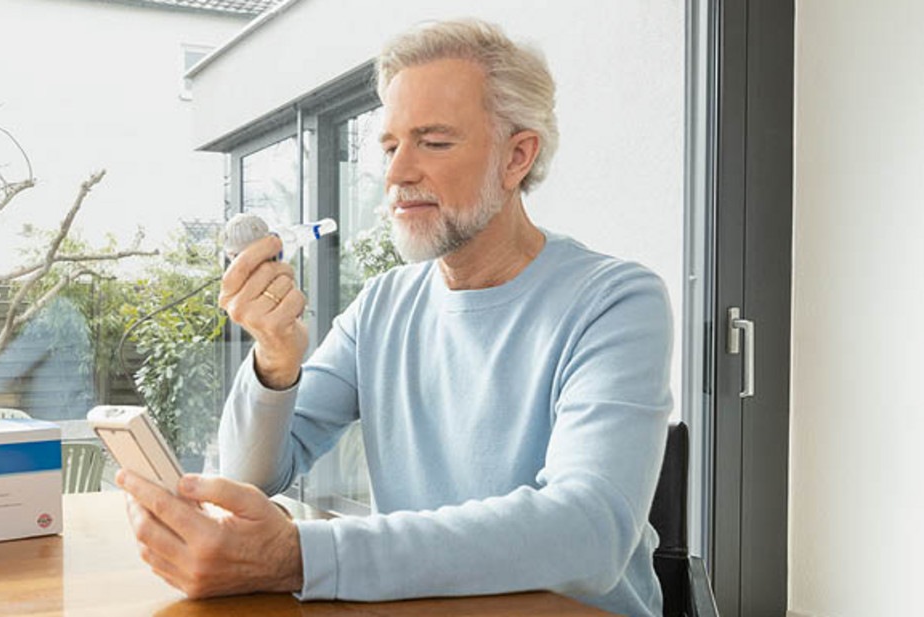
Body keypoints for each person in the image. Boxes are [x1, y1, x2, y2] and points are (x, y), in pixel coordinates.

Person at [115, 18, 672, 617]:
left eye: (433, 142)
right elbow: (255, 477)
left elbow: (587, 532)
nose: (397, 174)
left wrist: (299, 556)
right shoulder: (383, 304)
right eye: (389, 146)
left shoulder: (616, 301)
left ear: (517, 157)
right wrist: (275, 359)